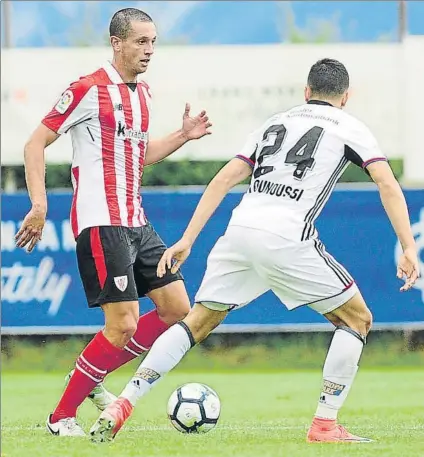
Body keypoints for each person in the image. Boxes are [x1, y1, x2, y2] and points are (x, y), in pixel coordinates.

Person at [89, 58, 420, 444]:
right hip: (286, 236)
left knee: (196, 323)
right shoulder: (351, 126)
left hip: (240, 230)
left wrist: (188, 239)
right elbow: (386, 183)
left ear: (306, 92)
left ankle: (124, 402)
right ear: (345, 97)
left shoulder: (274, 122)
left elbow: (224, 179)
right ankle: (325, 425)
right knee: (357, 321)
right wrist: (409, 247)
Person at [15, 8, 212, 437]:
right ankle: (60, 418)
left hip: (137, 221)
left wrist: (182, 136)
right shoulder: (87, 89)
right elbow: (35, 142)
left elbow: (138, 155)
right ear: (117, 43)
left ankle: (93, 372)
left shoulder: (143, 94)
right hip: (101, 222)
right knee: (122, 324)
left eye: (154, 41)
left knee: (177, 308)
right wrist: (39, 205)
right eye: (141, 41)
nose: (149, 50)